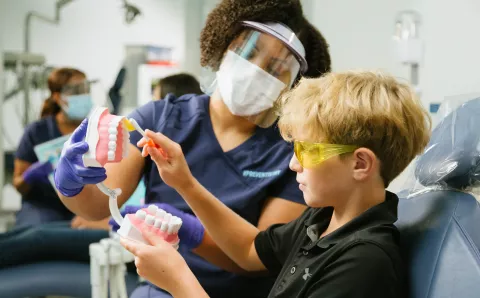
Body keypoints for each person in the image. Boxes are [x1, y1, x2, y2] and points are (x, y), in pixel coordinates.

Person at [54, 0, 331, 297]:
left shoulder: (291, 150)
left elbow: (260, 257)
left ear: (294, 86)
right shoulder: (161, 118)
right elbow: (99, 205)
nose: (255, 72)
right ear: (223, 45)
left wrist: (191, 231)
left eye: (276, 70)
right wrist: (72, 182)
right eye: (248, 52)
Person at [120, 70, 432, 298]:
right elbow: (248, 249)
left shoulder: (363, 261)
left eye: (305, 151)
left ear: (360, 164)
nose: (293, 163)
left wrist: (178, 281)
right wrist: (185, 183)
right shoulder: (323, 220)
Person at [13, 67, 96, 227]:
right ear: (57, 97)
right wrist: (29, 176)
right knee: (38, 236)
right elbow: (19, 184)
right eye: (76, 91)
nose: (83, 95)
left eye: (85, 89)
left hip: (87, 204)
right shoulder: (37, 131)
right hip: (44, 206)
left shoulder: (96, 129)